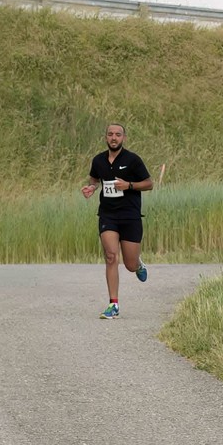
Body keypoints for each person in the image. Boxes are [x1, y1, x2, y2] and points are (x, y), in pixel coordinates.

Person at [79, 123, 153, 318]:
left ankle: (138, 264)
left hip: (130, 216)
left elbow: (149, 184)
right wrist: (92, 188)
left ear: (123, 138)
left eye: (118, 135)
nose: (114, 138)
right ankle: (114, 305)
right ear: (106, 137)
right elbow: (94, 179)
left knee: (130, 264)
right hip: (108, 215)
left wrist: (129, 185)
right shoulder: (98, 160)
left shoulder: (133, 160)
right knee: (111, 256)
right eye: (110, 134)